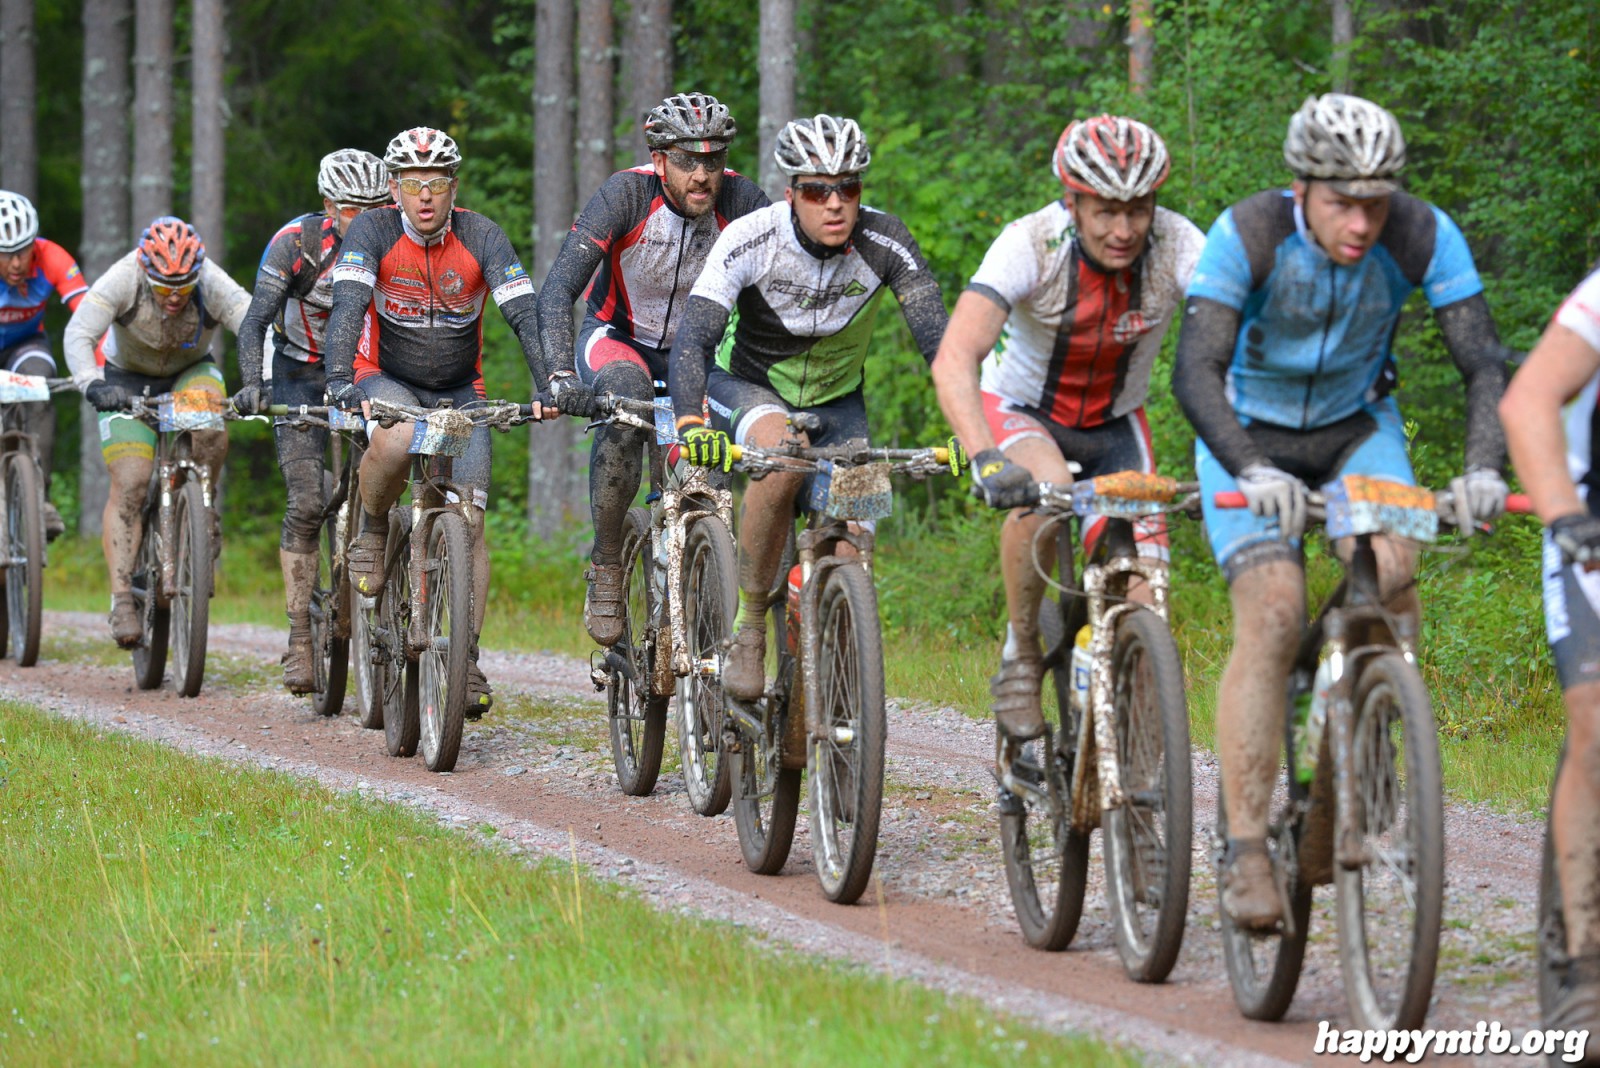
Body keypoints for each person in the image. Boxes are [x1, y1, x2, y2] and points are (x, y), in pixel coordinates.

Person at [1172, 93, 1514, 930]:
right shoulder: (1247, 232)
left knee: (1396, 564)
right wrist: (1250, 469)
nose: (1361, 222)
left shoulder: (1421, 232)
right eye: (1341, 202)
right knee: (1275, 608)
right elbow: (1195, 372)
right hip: (1245, 433)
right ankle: (1247, 848)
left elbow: (1483, 363)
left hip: (1359, 427)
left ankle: (1369, 722)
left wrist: (1480, 470)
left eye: (1375, 201)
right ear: (1301, 188)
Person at [931, 115, 1204, 742]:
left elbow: (1235, 334)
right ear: (1073, 201)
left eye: (1139, 210)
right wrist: (983, 456)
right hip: (1025, 412)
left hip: (1116, 425)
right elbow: (956, 358)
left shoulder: (1181, 243)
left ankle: (1130, 758)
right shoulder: (1030, 242)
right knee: (1042, 487)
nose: (1124, 229)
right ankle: (1023, 654)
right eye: (1105, 210)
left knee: (1144, 597)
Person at [670, 114, 949, 701]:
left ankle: (836, 684)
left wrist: (975, 430)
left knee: (853, 547)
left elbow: (941, 346)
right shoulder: (751, 237)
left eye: (849, 188)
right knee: (783, 453)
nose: (835, 204)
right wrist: (692, 421)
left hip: (838, 403)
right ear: (792, 192)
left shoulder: (886, 241)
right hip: (746, 387)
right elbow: (693, 339)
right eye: (818, 190)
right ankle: (749, 626)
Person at [322, 126, 565, 718]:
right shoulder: (373, 231)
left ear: (453, 187)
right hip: (386, 377)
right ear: (394, 190)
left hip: (460, 391)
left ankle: (467, 655)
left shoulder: (482, 236)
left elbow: (526, 314)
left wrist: (552, 381)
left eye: (435, 183)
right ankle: (375, 527)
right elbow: (347, 310)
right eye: (412, 184)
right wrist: (337, 381)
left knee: (470, 520)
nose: (425, 196)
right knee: (398, 436)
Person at [537, 91, 768, 648]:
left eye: (712, 161)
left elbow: (776, 292)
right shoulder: (624, 195)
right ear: (660, 159)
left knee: (707, 466)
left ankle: (707, 598)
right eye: (687, 161)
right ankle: (608, 564)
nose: (702, 176)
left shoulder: (741, 201)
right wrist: (559, 377)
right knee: (625, 401)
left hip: (698, 354)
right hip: (618, 339)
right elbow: (558, 291)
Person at [232, 148, 391, 694]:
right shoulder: (296, 245)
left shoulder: (396, 239)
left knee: (383, 486)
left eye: (378, 205)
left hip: (367, 369)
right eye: (355, 209)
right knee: (306, 499)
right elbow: (254, 322)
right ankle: (300, 634)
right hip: (299, 372)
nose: (369, 218)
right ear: (329, 206)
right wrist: (254, 382)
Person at [63, 216, 251, 647]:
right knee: (130, 481)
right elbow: (79, 333)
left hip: (190, 372)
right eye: (164, 287)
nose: (174, 296)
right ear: (146, 272)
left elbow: (252, 321)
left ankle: (204, 507)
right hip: (126, 379)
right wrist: (91, 383)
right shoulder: (124, 276)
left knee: (209, 430)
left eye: (183, 286)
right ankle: (122, 598)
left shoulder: (209, 280)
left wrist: (262, 379)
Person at [1500, 268, 1600, 1049]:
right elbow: (1527, 399)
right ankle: (1583, 959)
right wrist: (1564, 515)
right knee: (1597, 725)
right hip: (1590, 521)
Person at [0, 190, 90, 540]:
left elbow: (88, 317)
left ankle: (40, 495)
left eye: (23, 251)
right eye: (6, 255)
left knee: (41, 383)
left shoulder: (52, 257)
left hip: (25, 345)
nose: (17, 264)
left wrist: (99, 371)